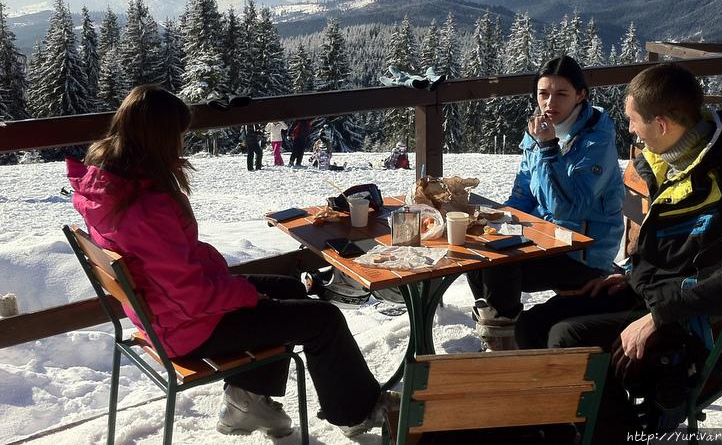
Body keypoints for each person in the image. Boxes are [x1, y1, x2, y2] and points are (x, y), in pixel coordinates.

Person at [66, 85, 396, 439]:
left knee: (288, 287)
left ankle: (247, 399)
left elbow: (171, 267)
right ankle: (358, 412)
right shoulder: (145, 209)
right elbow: (191, 297)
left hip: (163, 314)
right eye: (177, 137)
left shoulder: (111, 185)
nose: (181, 146)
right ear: (159, 139)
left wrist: (230, 282)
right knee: (323, 319)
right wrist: (245, 295)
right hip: (185, 328)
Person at [516, 63, 722, 443]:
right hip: (666, 300)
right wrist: (630, 276)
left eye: (632, 120)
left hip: (702, 334)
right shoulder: (677, 162)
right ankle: (563, 426)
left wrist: (660, 314)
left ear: (660, 125)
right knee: (531, 325)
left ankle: (614, 433)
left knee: (567, 337)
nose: (628, 129)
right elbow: (686, 250)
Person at [467, 55, 625, 350]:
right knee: (477, 253)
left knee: (501, 265)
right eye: (543, 94)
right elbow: (524, 193)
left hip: (584, 251)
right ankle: (498, 330)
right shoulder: (538, 130)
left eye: (561, 94)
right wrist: (496, 220)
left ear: (581, 95)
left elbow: (569, 208)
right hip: (546, 237)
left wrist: (549, 148)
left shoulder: (596, 140)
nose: (550, 103)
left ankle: (504, 342)